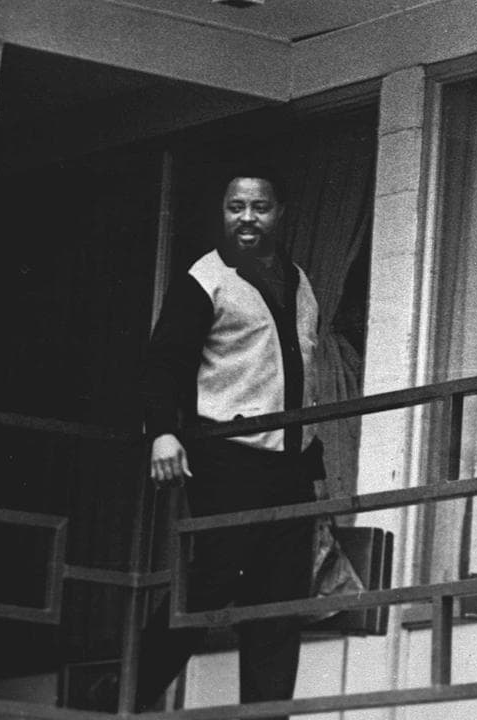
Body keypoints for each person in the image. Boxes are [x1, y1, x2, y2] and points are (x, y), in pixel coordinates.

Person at [138, 170, 323, 718]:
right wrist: (163, 431)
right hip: (230, 460)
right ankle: (122, 698)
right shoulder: (205, 277)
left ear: (280, 211)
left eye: (260, 207)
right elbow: (163, 363)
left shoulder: (299, 279)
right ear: (222, 211)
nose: (248, 218)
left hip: (290, 467)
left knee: (280, 605)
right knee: (211, 585)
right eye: (236, 206)